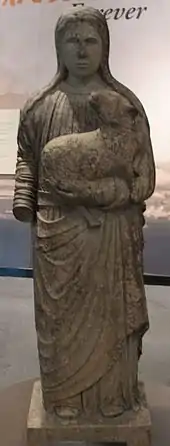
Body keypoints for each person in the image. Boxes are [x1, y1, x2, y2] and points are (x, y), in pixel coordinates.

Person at [13, 7, 155, 419]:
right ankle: (64, 398)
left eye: (90, 41)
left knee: (111, 316)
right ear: (58, 47)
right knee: (62, 321)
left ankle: (113, 397)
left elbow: (142, 171)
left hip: (111, 234)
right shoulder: (41, 105)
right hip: (59, 233)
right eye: (72, 41)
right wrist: (25, 198)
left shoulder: (126, 106)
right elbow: (28, 159)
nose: (81, 50)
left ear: (104, 47)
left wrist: (120, 193)